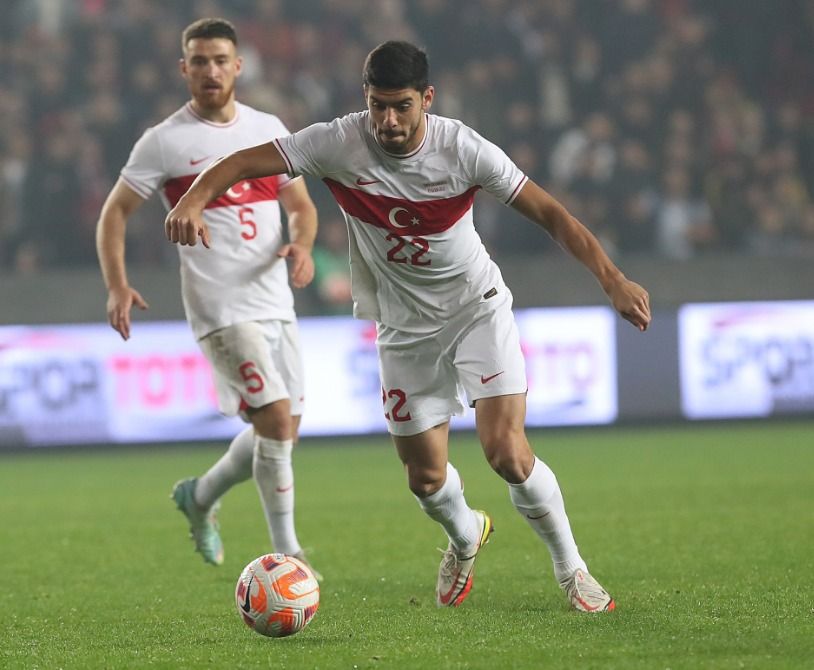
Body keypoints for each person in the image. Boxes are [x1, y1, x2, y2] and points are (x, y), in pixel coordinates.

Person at [164, 40, 651, 611]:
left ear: (428, 98)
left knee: (507, 453)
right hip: (401, 328)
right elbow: (243, 162)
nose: (389, 121)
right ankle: (465, 536)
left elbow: (550, 212)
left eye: (402, 106)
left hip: (475, 309)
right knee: (424, 479)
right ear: (365, 99)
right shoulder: (337, 142)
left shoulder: (463, 149)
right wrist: (194, 198)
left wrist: (612, 279)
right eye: (378, 106)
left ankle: (573, 572)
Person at [96, 18, 321, 577]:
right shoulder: (164, 141)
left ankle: (199, 496)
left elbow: (301, 206)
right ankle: (289, 556)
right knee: (274, 421)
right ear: (184, 69)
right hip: (220, 307)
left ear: (238, 66)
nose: (211, 70)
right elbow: (114, 213)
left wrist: (302, 244)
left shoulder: (267, 128)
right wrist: (117, 284)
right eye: (199, 61)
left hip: (274, 300)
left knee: (282, 431)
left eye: (220, 60)